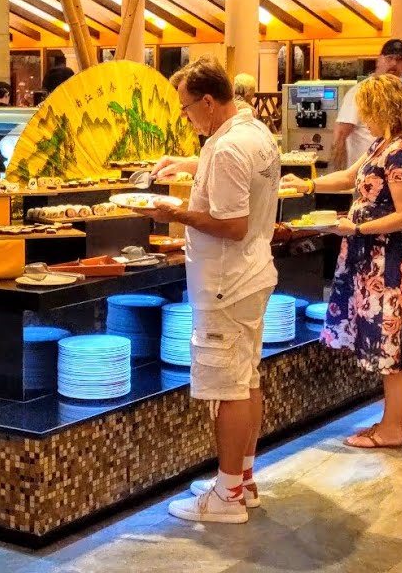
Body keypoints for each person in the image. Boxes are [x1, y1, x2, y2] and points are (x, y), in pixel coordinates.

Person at [145, 58, 280, 524]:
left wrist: (173, 213)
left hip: (226, 283)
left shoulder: (226, 149)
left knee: (227, 390)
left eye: (187, 109)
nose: (187, 119)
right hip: (251, 275)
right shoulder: (254, 132)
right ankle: (242, 480)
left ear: (207, 101)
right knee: (247, 380)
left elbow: (232, 225)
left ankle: (227, 498)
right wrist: (189, 164)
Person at [282, 74, 402, 449]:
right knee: (394, 343)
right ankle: (399, 423)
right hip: (379, 258)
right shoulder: (385, 144)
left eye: (367, 111)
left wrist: (357, 228)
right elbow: (351, 177)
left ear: (382, 110)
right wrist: (307, 185)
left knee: (393, 345)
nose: (363, 119)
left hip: (394, 262)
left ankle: (390, 429)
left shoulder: (401, 152)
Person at [333, 39, 402, 169]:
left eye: (399, 59)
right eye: (389, 58)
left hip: (397, 171)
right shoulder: (360, 92)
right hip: (364, 172)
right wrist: (338, 173)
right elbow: (340, 135)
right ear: (379, 60)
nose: (393, 63)